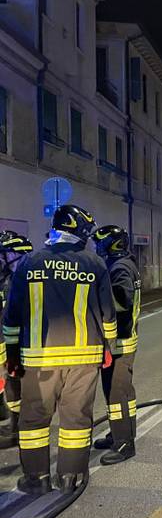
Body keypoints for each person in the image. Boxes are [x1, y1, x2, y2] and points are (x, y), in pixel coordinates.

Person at [3, 205, 117, 494]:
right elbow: (109, 315)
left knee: (34, 420)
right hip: (84, 357)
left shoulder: (29, 263)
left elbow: (12, 315)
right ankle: (71, 477)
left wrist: (12, 356)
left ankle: (36, 478)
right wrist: (109, 348)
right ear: (78, 231)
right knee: (76, 418)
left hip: (39, 359)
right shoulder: (95, 264)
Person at [91, 225, 141, 465]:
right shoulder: (123, 264)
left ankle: (124, 444)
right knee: (117, 392)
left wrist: (97, 296)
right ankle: (118, 433)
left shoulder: (119, 268)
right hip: (119, 341)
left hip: (119, 343)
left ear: (111, 244)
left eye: (100, 243)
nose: (97, 247)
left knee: (117, 394)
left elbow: (123, 301)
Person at [0, 231, 34, 450]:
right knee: (12, 387)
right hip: (11, 343)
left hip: (25, 344)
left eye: (3, 254)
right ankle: (14, 425)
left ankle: (22, 429)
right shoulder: (10, 278)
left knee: (22, 388)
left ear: (14, 254)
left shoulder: (26, 278)